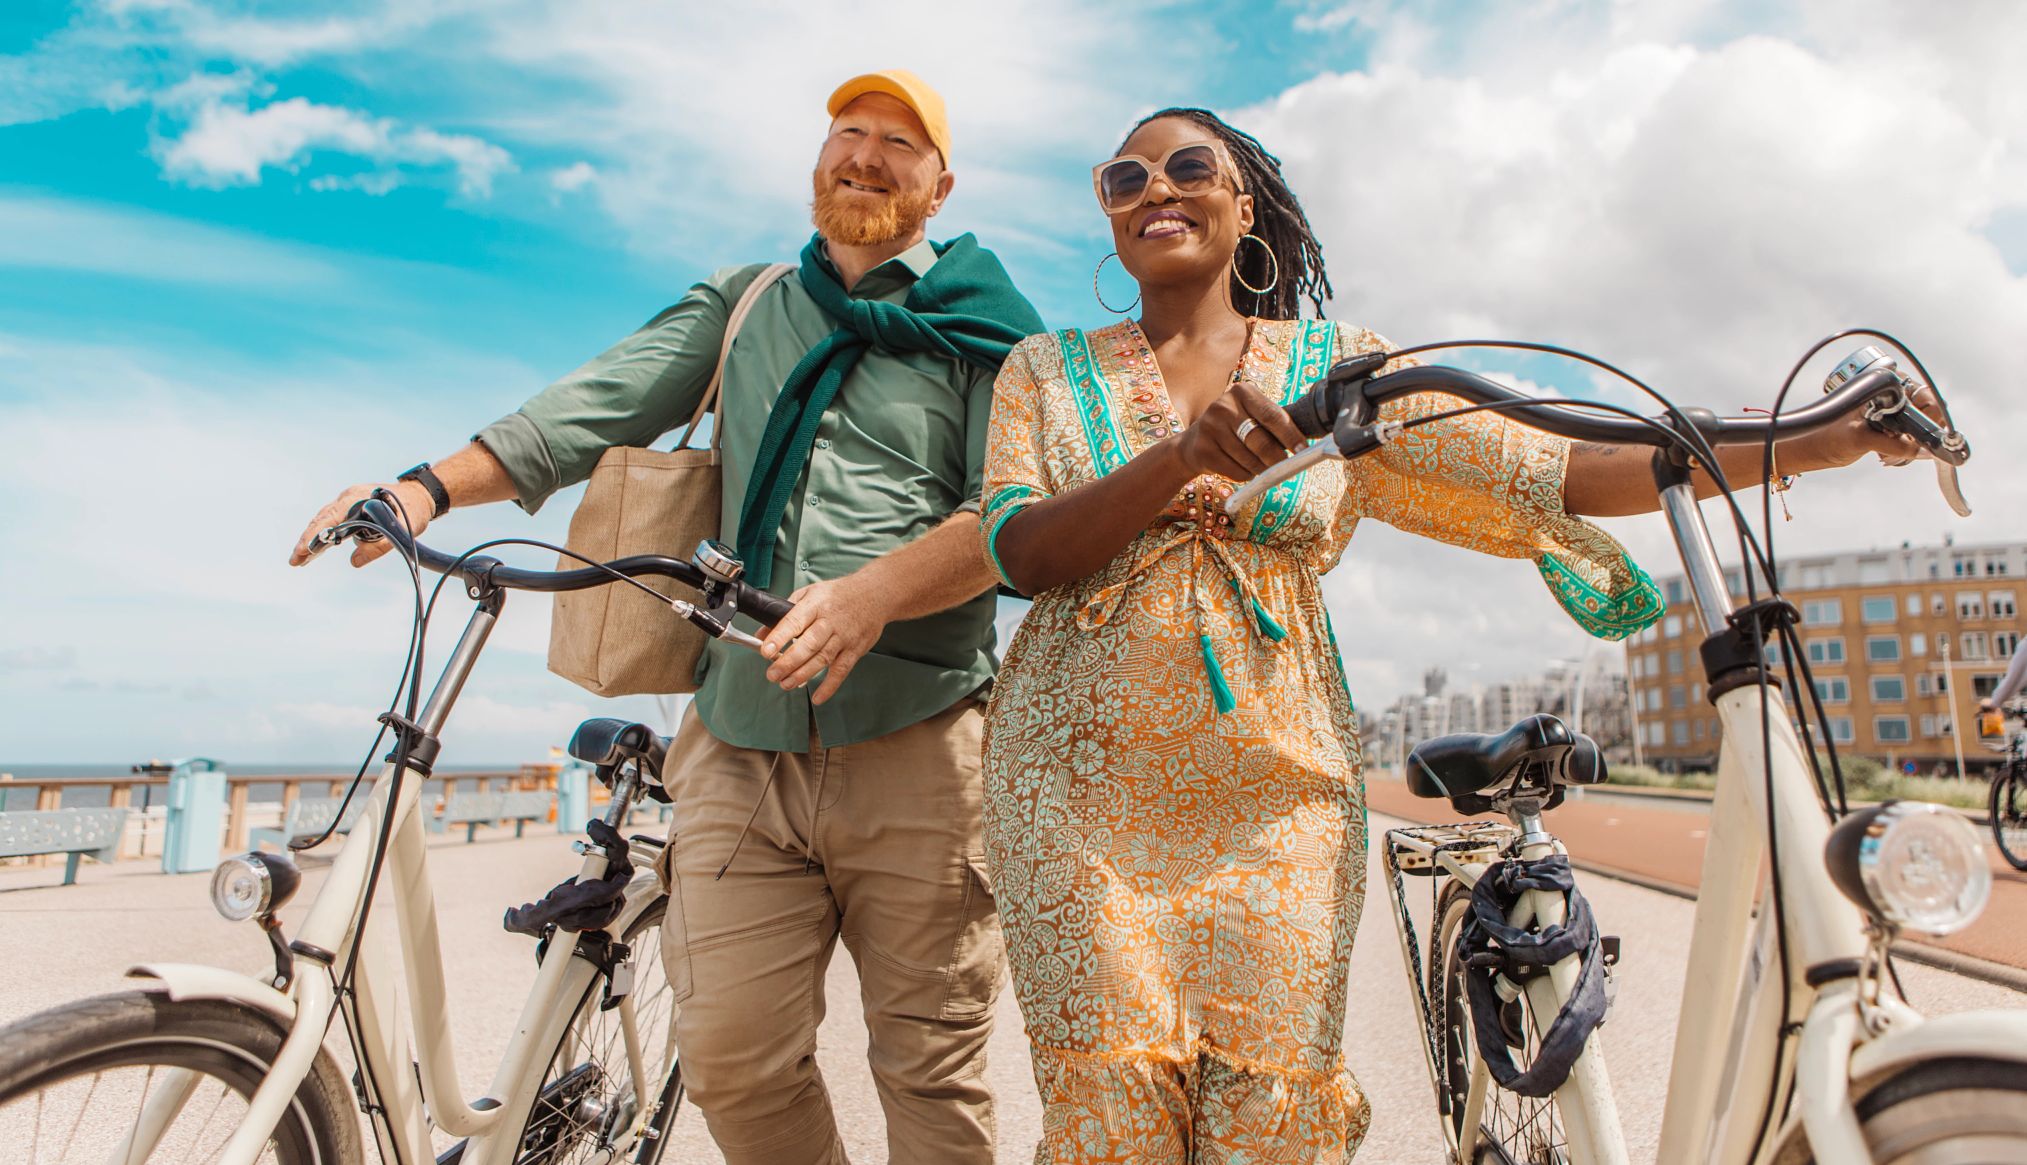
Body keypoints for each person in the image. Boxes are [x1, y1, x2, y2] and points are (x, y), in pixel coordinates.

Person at [977, 106, 1944, 1162]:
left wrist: (1809, 439)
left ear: (1242, 203)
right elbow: (1021, 552)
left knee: (1268, 1117)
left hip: (1278, 791)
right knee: (1106, 1117)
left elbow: (1548, 462)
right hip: (1074, 797)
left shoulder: (1339, 370)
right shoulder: (1039, 366)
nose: (1154, 190)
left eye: (1186, 166)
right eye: (1124, 179)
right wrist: (1176, 462)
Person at [291, 70, 1042, 1165]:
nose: (866, 156)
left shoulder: (989, 334)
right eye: (848, 133)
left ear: (942, 186)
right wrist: (423, 487)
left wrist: (870, 596)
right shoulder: (749, 306)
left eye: (899, 143)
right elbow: (588, 406)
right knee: (733, 1062)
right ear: (817, 160)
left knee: (927, 1070)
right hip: (738, 742)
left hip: (921, 744)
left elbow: (1007, 515)